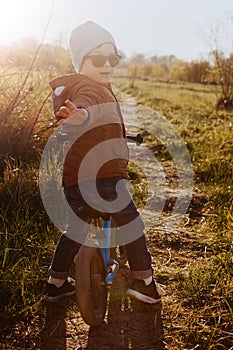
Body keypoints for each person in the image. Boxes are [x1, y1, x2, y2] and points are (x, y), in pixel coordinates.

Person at [44, 21, 164, 304]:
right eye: (98, 57)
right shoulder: (90, 89)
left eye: (114, 57)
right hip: (105, 178)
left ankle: (56, 282)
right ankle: (143, 280)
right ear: (79, 61)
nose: (108, 63)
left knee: (76, 228)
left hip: (76, 180)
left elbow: (98, 120)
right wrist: (80, 115)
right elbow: (90, 109)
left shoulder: (80, 88)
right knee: (132, 224)